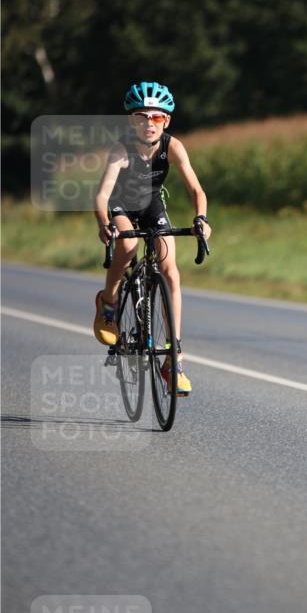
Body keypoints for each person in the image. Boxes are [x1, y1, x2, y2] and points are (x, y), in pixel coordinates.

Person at [92, 81, 212, 395]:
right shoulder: (122, 149)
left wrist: (201, 219)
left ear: (166, 121)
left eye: (156, 118)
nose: (148, 124)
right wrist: (104, 223)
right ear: (132, 121)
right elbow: (102, 194)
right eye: (141, 117)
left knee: (170, 269)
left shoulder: (173, 146)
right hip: (121, 205)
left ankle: (174, 359)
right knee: (129, 245)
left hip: (151, 205)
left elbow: (196, 190)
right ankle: (108, 302)